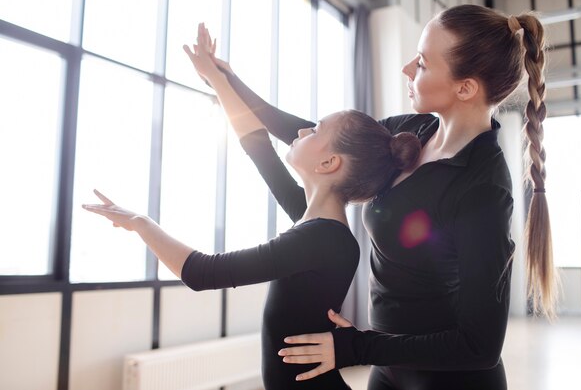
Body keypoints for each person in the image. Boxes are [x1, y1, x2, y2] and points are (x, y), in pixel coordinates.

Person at [210, 4, 558, 389]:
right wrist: (228, 81)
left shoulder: (483, 187)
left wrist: (356, 348)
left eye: (423, 63)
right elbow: (317, 139)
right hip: (386, 370)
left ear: (465, 87)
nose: (407, 68)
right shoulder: (411, 131)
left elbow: (480, 346)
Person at [82, 23, 421, 389]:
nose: (302, 131)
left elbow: (203, 272)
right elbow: (256, 143)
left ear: (329, 164)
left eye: (316, 129)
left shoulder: (323, 239)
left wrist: (141, 222)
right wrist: (217, 79)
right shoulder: (313, 224)